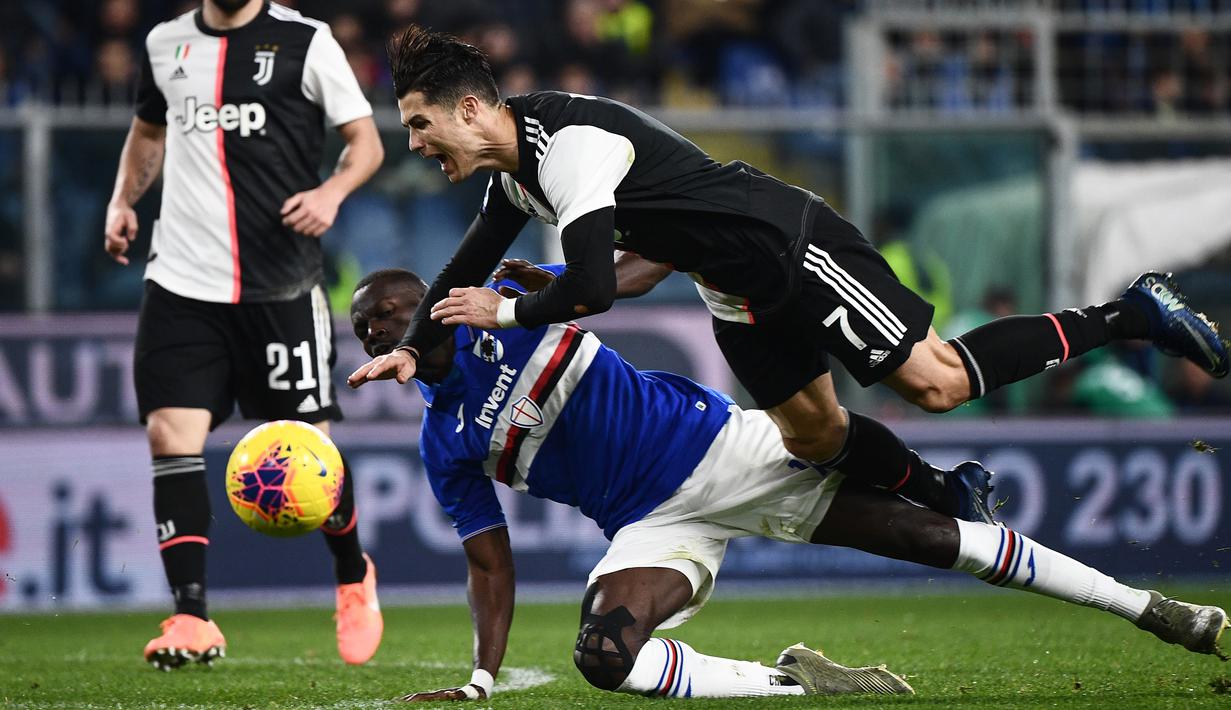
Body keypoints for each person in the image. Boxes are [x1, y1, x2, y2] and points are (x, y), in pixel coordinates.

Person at [348, 25, 1229, 527]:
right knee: (812, 436)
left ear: (471, 108)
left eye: (422, 126)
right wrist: (412, 347)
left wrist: (504, 316)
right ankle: (946, 492)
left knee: (937, 380)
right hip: (730, 283)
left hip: (787, 248)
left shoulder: (568, 147)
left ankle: (1129, 313)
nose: (417, 146)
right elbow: (472, 262)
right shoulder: (515, 170)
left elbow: (592, 292)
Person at [349, 266, 1228, 702]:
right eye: (364, 324)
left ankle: (1153, 609)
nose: (378, 323)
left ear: (428, 297)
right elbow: (489, 562)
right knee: (602, 660)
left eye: (389, 306)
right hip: (652, 523)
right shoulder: (443, 440)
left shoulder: (504, 297)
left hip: (731, 450)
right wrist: (478, 680)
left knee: (934, 537)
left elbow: (601, 283)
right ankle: (797, 683)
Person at [104, 0, 386, 669]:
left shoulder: (305, 41)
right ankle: (191, 616)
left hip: (279, 286)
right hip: (180, 282)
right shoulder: (164, 41)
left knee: (310, 452)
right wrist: (123, 200)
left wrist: (331, 193)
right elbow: (149, 132)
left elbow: (366, 143)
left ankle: (352, 574)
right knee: (170, 436)